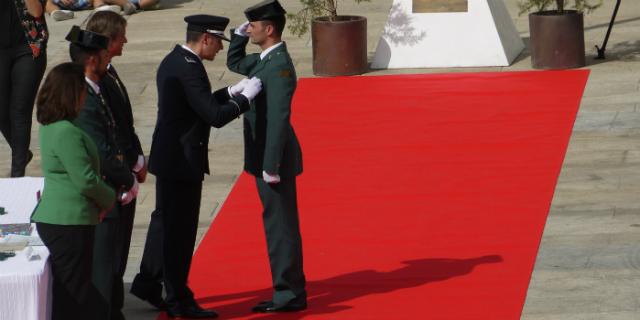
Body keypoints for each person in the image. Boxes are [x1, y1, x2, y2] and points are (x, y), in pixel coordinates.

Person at [132, 14, 262, 319]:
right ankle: (179, 299)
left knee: (164, 224)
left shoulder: (176, 60)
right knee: (180, 232)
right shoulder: (189, 69)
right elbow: (214, 116)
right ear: (205, 38)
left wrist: (230, 92)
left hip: (169, 159)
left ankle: (149, 283)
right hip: (181, 163)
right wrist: (245, 100)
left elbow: (198, 102)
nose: (219, 49)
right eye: (217, 42)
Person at [227, 0, 306, 313]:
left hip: (273, 161)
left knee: (281, 226)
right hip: (263, 157)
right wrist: (238, 36)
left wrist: (270, 165)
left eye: (254, 26)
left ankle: (289, 294)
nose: (251, 29)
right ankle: (286, 290)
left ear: (269, 29)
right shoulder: (265, 60)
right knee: (275, 223)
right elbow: (235, 63)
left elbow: (278, 120)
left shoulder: (279, 66)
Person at [66, 25, 140, 320]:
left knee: (110, 267)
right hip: (101, 197)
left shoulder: (93, 91)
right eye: (102, 56)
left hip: (111, 191)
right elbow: (101, 149)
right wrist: (128, 178)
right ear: (91, 60)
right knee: (101, 271)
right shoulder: (83, 98)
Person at [32, 62, 115, 320]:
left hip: (65, 218)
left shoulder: (53, 126)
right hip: (68, 220)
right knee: (74, 295)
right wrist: (109, 199)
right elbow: (86, 180)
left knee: (74, 292)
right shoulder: (67, 132)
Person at [84, 11, 145, 320]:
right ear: (107, 41)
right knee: (105, 259)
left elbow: (126, 122)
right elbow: (106, 136)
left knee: (118, 254)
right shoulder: (94, 83)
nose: (126, 41)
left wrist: (138, 158)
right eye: (121, 36)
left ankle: (115, 308)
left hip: (125, 173)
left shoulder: (110, 73)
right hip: (111, 181)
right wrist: (128, 172)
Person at [0, 0, 48, 177]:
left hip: (29, 45)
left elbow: (36, 11)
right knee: (2, 113)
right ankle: (21, 153)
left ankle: (17, 174)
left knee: (20, 111)